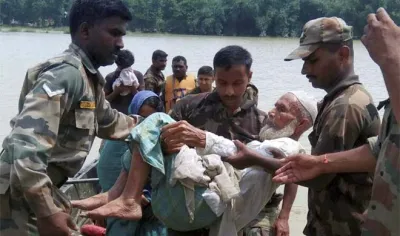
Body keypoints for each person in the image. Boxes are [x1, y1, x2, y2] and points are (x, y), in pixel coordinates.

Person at [0, 1, 136, 236]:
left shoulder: (88, 78)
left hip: (42, 189)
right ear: (85, 31)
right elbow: (24, 148)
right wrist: (47, 211)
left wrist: (153, 125)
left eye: (122, 35)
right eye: (114, 33)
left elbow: (109, 121)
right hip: (20, 198)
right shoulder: (65, 75)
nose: (121, 43)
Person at [271, 8, 400, 236]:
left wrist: (252, 159)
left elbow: (319, 179)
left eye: (312, 60)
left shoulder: (346, 105)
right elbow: (379, 149)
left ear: (342, 55)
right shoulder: (337, 99)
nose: (304, 69)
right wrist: (320, 162)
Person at [239, 91, 317, 236]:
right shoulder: (268, 134)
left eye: (281, 109)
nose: (271, 112)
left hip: (261, 214)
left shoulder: (292, 151)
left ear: (301, 124)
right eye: (275, 106)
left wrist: (284, 217)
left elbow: (292, 181)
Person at [97, 91, 166, 236]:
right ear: (133, 113)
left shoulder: (157, 134)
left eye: (151, 118)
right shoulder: (121, 135)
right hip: (120, 198)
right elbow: (107, 172)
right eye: (142, 117)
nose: (146, 123)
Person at [104, 49, 144, 115]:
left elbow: (143, 99)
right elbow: (103, 101)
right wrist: (115, 92)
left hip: (133, 114)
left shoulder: (138, 76)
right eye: (123, 67)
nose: (125, 70)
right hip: (115, 114)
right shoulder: (110, 77)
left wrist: (133, 89)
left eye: (128, 67)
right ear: (117, 64)